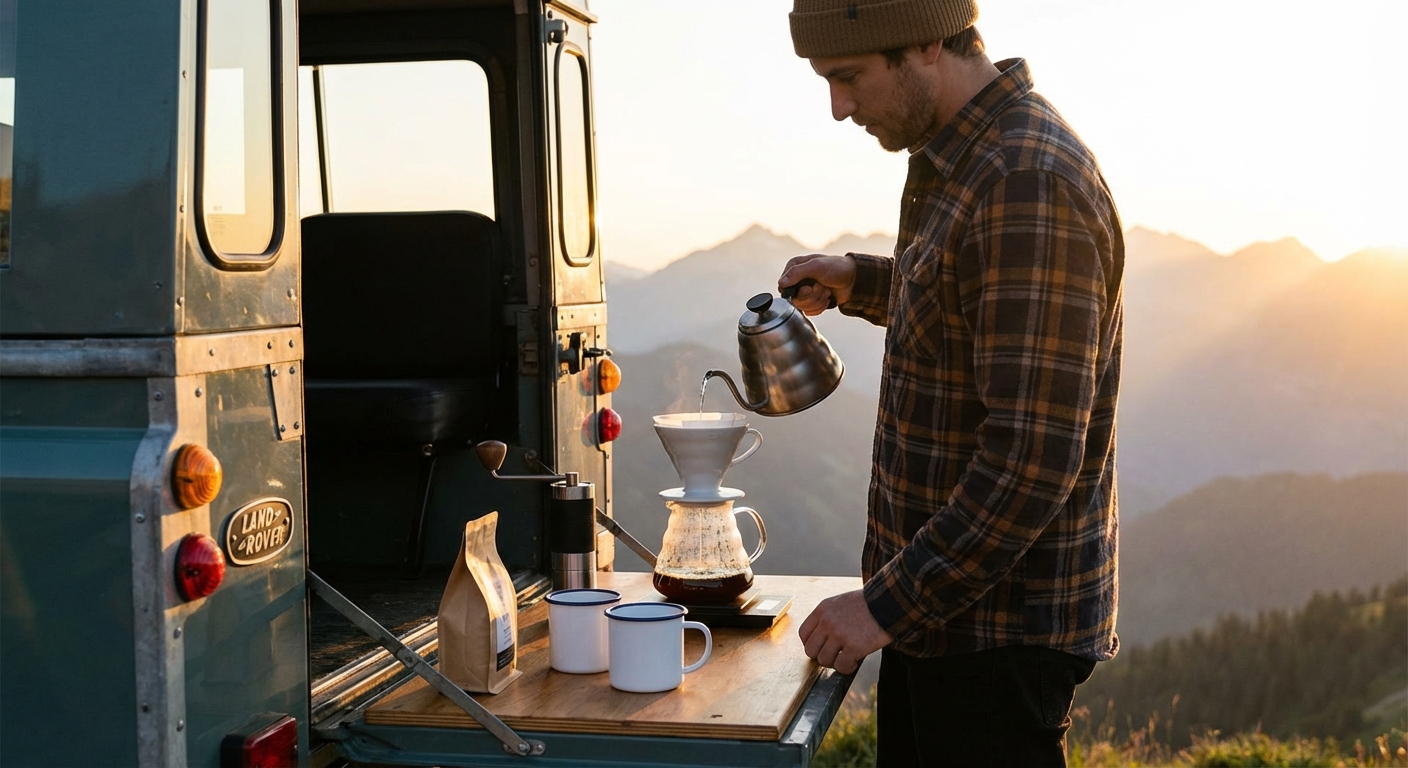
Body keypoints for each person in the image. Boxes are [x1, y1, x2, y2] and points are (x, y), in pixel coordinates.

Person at [781, 1, 1124, 765]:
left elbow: (1029, 462)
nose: (838, 108)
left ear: (928, 42)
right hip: (942, 616)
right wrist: (860, 279)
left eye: (848, 77)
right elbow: (973, 296)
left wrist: (880, 606)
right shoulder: (965, 158)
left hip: (995, 638)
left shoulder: (1026, 179)